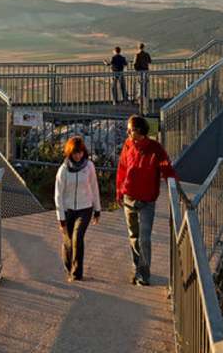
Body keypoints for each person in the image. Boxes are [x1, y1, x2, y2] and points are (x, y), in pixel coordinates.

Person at [115, 115, 176, 286]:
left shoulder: (155, 148)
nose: (128, 132)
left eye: (131, 129)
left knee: (145, 238)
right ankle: (137, 268)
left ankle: (144, 274)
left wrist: (175, 188)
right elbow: (122, 168)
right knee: (133, 236)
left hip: (147, 200)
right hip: (129, 197)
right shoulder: (127, 145)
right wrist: (119, 191)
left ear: (140, 131)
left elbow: (166, 167)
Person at [54, 136, 100, 282]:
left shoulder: (89, 166)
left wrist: (97, 209)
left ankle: (77, 274)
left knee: (77, 238)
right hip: (68, 210)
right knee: (68, 243)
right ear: (70, 153)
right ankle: (69, 267)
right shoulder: (63, 170)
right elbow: (58, 195)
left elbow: (94, 187)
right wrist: (61, 218)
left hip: (85, 208)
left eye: (80, 152)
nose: (78, 156)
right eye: (75, 153)